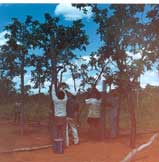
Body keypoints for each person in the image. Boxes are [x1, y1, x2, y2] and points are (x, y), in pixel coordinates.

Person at [51, 82, 68, 152]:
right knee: (63, 131)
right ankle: (63, 145)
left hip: (57, 117)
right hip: (63, 117)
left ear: (57, 96)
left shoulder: (55, 100)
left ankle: (56, 145)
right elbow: (65, 94)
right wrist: (62, 89)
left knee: (56, 131)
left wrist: (53, 85)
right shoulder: (65, 100)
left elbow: (53, 93)